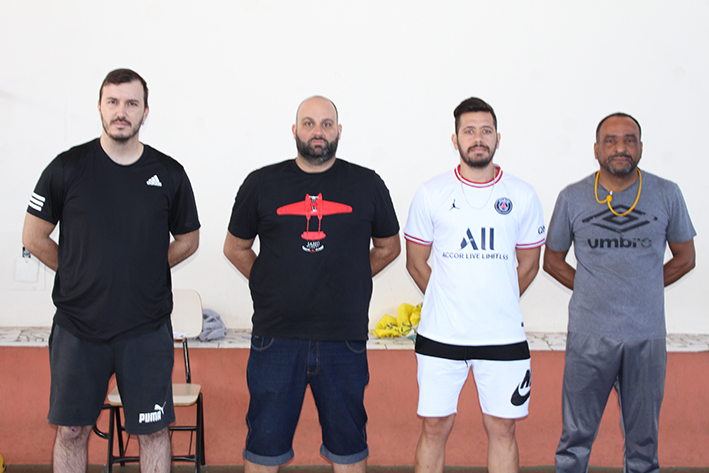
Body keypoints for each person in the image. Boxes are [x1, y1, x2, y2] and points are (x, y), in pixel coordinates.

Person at [22, 69, 200, 473]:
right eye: (113, 102)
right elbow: (33, 236)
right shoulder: (67, 168)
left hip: (146, 328)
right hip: (77, 328)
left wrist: (145, 269)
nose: (122, 111)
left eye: (132, 103)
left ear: (145, 112)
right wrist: (76, 272)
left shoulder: (169, 173)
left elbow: (189, 240)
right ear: (100, 108)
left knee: (153, 433)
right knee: (71, 432)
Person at [223, 96, 400, 473]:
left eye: (326, 124)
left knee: (349, 448)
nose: (317, 131)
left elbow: (389, 247)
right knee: (263, 447)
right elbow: (235, 248)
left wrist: (351, 277)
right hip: (276, 338)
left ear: (339, 131)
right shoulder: (261, 183)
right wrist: (269, 283)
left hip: (343, 338)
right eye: (308, 123)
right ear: (294, 130)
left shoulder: (367, 184)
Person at [544, 112, 696, 473]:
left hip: (646, 335)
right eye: (610, 140)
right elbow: (552, 261)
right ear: (596, 149)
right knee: (575, 438)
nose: (620, 148)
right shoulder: (573, 197)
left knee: (643, 442)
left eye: (629, 140)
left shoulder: (667, 193)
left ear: (640, 147)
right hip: (589, 336)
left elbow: (685, 258)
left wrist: (643, 285)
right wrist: (594, 288)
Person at [404, 97, 545, 473]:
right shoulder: (432, 192)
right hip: (441, 335)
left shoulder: (522, 194)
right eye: (469, 131)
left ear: (498, 137)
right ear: (455, 139)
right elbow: (415, 263)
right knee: (434, 427)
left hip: (502, 336)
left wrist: (495, 301)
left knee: (503, 429)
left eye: (486, 131)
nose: (478, 138)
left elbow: (529, 265)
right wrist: (449, 299)